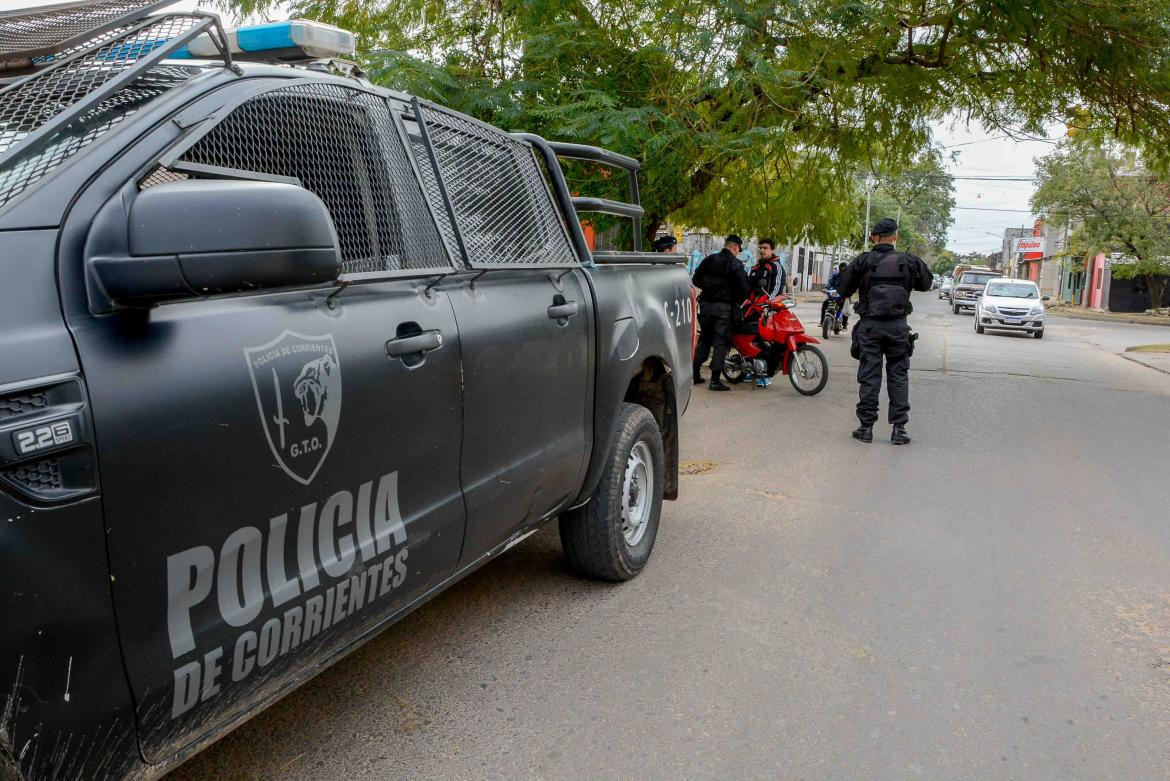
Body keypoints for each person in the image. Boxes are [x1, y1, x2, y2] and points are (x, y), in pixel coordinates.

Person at [834, 218, 933, 444]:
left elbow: (843, 289)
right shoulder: (908, 261)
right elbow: (926, 284)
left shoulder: (863, 261)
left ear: (873, 238)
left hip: (870, 327)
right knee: (898, 376)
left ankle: (866, 428)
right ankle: (899, 430)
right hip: (898, 327)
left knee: (870, 376)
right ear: (895, 237)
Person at [692, 234, 750, 391]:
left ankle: (694, 375)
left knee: (704, 339)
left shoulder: (709, 259)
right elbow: (744, 290)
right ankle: (715, 380)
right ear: (735, 247)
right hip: (723, 310)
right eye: (738, 250)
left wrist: (709, 288)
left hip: (705, 307)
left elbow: (696, 279)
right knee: (720, 343)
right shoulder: (736, 264)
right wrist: (732, 298)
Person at [821, 261, 850, 326]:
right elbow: (830, 282)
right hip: (834, 292)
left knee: (845, 308)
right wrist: (826, 288)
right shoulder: (835, 274)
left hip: (844, 294)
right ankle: (822, 320)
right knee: (825, 303)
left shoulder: (850, 277)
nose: (842, 269)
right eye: (841, 268)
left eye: (844, 268)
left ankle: (844, 324)